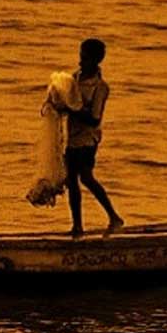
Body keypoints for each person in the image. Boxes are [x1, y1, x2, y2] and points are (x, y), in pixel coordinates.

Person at [58, 37, 124, 237]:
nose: (80, 62)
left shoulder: (100, 87)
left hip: (88, 140)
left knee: (86, 178)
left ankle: (113, 217)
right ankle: (77, 226)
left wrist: (70, 109)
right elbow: (64, 100)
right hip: (72, 138)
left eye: (85, 59)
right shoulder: (74, 78)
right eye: (80, 57)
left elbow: (94, 119)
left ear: (96, 61)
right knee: (72, 181)